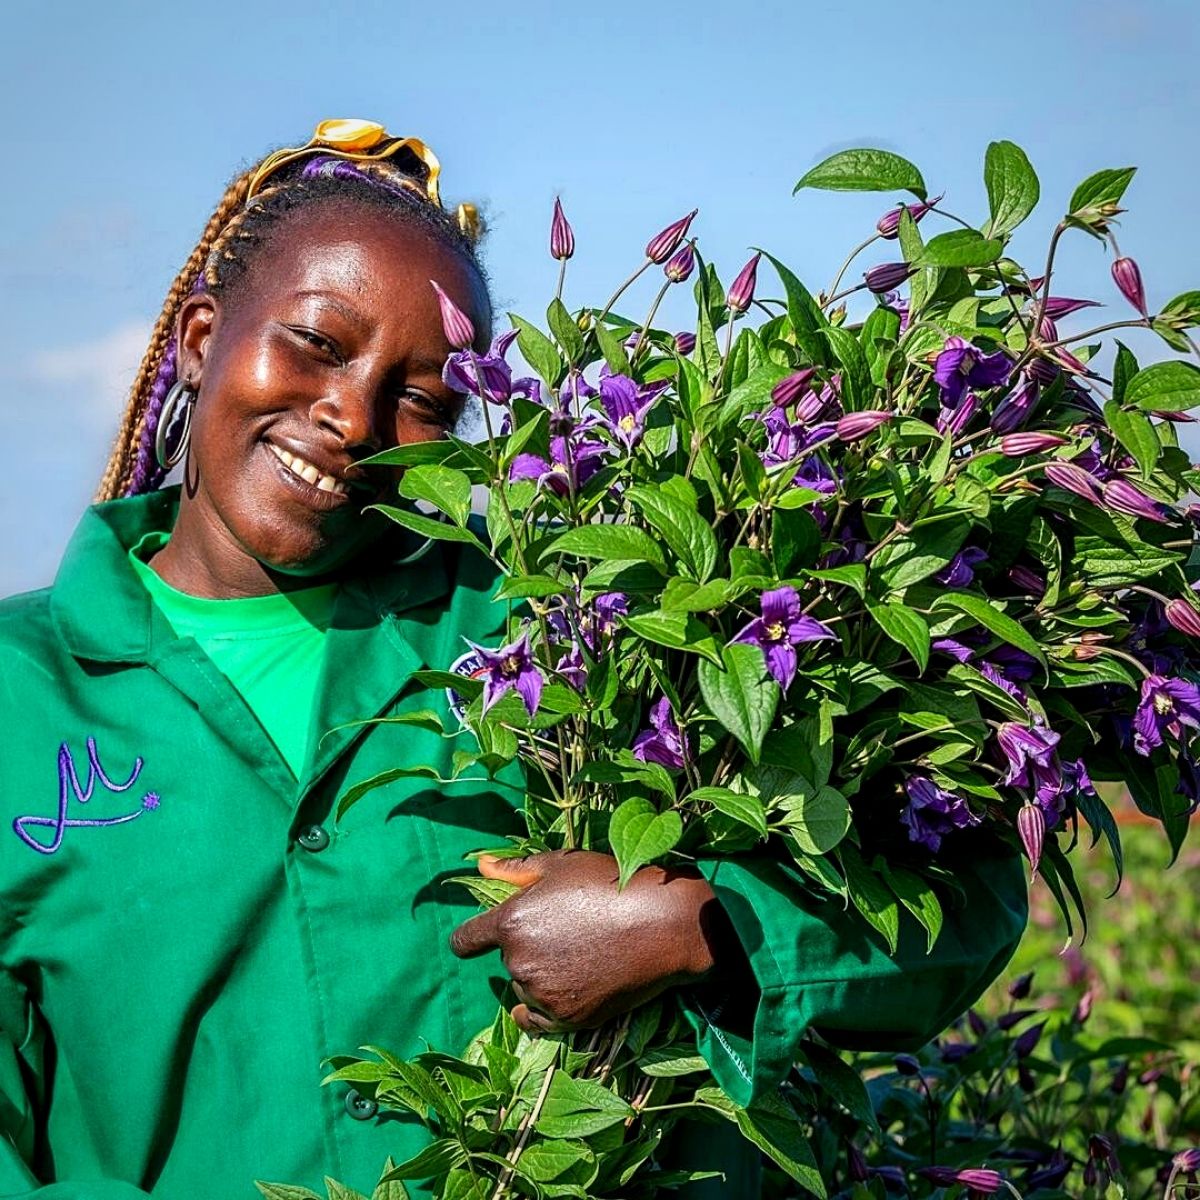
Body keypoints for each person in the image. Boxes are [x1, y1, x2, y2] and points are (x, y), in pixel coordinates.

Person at [0, 120, 1028, 1199]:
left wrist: (704, 926)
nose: (353, 416)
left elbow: (967, 897)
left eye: (426, 399)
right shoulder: (21, 695)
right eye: (317, 342)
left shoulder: (560, 631)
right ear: (202, 337)